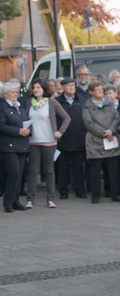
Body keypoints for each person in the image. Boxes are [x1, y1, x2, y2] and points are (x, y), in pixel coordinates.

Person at [23, 80, 69, 209]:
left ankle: (50, 198)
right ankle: (30, 199)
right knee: (33, 171)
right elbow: (26, 119)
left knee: (49, 170)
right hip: (33, 141)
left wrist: (60, 132)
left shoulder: (51, 102)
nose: (36, 90)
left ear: (44, 89)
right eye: (34, 88)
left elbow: (66, 118)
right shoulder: (29, 103)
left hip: (49, 141)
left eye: (38, 87)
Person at [83, 82, 120, 203]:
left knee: (113, 168)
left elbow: (117, 117)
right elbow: (88, 123)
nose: (100, 92)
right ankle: (96, 194)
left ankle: (114, 193)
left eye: (101, 89)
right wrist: (103, 132)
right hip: (96, 140)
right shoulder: (87, 106)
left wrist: (111, 130)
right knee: (96, 169)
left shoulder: (109, 102)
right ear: (91, 92)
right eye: (97, 90)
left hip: (111, 138)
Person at [55, 78, 88, 200]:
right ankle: (63, 190)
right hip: (63, 139)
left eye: (73, 85)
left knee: (79, 167)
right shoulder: (57, 102)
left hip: (79, 138)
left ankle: (80, 189)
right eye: (68, 86)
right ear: (62, 87)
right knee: (62, 167)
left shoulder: (82, 100)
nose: (71, 88)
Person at [0, 82, 28, 212]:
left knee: (19, 174)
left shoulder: (20, 106)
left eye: (16, 92)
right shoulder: (2, 107)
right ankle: (8, 201)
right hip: (8, 145)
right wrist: (17, 131)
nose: (16, 94)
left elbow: (26, 120)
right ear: (5, 94)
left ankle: (16, 200)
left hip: (21, 144)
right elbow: (1, 126)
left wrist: (28, 130)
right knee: (14, 172)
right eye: (12, 92)